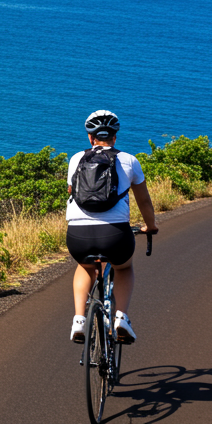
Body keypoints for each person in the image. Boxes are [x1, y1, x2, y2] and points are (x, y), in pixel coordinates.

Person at [66, 110, 157, 344]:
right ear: (115, 136)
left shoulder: (76, 159)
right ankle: (121, 318)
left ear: (90, 137)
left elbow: (71, 192)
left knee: (85, 267)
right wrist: (151, 226)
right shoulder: (129, 161)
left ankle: (78, 319)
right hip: (115, 235)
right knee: (124, 268)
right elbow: (144, 201)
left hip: (78, 235)